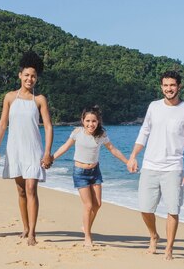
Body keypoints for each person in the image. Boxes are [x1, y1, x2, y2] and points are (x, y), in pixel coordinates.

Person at [126, 71, 184, 260]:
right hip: (150, 165)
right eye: (166, 85)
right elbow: (144, 131)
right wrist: (133, 156)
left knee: (173, 210)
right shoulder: (154, 106)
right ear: (161, 87)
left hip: (173, 168)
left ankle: (169, 249)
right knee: (145, 208)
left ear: (179, 86)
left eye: (172, 85)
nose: (169, 89)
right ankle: (153, 235)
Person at [0, 51, 53, 246]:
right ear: (20, 75)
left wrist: (47, 152)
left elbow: (48, 126)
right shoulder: (9, 97)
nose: (29, 79)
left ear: (36, 78)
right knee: (21, 190)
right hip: (15, 149)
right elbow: (2, 124)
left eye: (33, 76)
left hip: (33, 150)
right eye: (26, 75)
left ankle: (32, 232)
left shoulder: (39, 99)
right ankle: (25, 227)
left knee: (31, 188)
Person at [52, 106, 129, 247]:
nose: (90, 124)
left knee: (97, 204)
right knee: (88, 205)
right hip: (80, 172)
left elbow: (113, 149)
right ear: (82, 120)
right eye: (87, 120)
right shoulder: (77, 132)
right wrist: (52, 158)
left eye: (94, 121)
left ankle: (85, 227)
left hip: (95, 171)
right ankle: (88, 237)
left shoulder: (101, 135)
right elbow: (65, 147)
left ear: (98, 121)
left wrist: (127, 162)